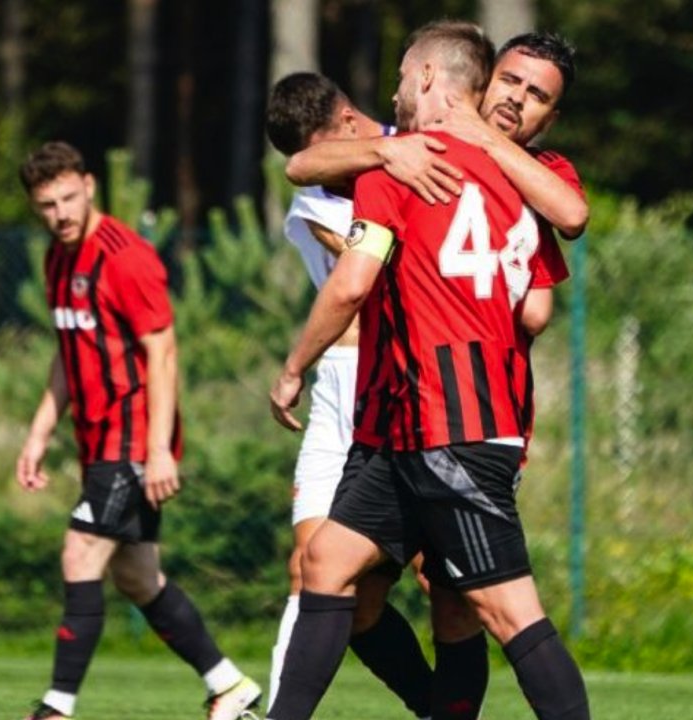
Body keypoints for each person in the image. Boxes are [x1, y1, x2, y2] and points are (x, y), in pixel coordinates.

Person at [267, 21, 591, 720]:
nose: (518, 101)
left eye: (537, 96)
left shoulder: (521, 173)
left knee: (495, 611)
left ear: (420, 81)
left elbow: (353, 282)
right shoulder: (413, 158)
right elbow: (534, 309)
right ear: (481, 80)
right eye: (509, 82)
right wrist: (395, 151)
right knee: (326, 567)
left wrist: (294, 366)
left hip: (456, 421)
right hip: (404, 422)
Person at [14, 141, 261, 720]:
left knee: (80, 555)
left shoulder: (125, 257)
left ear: (91, 186)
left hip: (131, 440)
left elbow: (163, 352)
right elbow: (66, 354)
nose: (61, 213)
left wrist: (157, 450)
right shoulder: (57, 259)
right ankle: (229, 686)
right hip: (98, 442)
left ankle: (56, 708)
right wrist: (38, 433)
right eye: (47, 205)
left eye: (69, 198)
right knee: (137, 576)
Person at [262, 73, 435, 720]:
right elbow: (305, 170)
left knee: (444, 581)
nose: (318, 176)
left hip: (411, 389)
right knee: (315, 571)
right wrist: (382, 153)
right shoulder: (318, 196)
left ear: (348, 119)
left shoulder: (417, 151)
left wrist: (390, 149)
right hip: (340, 393)